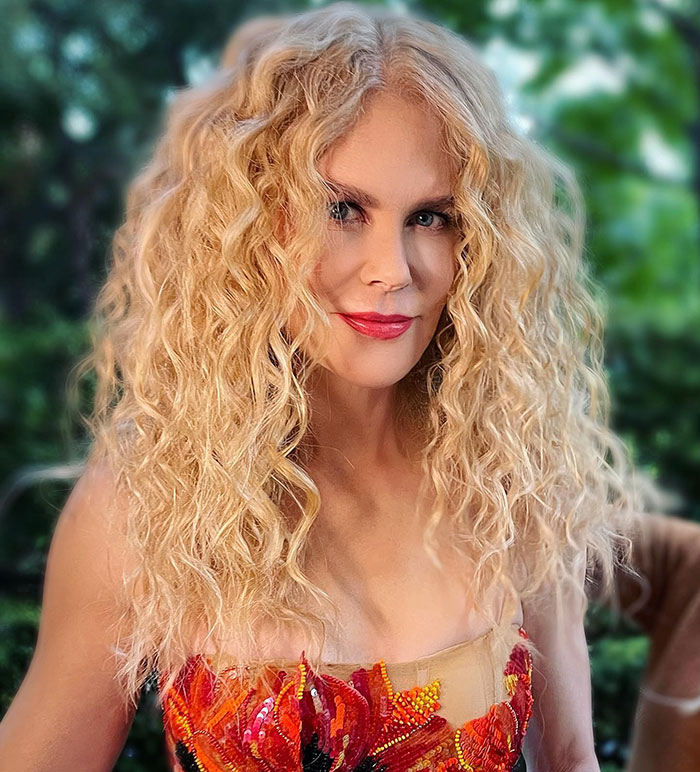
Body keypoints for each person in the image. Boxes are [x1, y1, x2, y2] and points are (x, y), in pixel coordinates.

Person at [0, 3, 670, 770]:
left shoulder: (508, 481)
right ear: (255, 225)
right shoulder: (148, 503)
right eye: (343, 209)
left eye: (431, 217)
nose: (393, 268)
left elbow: (573, 759)